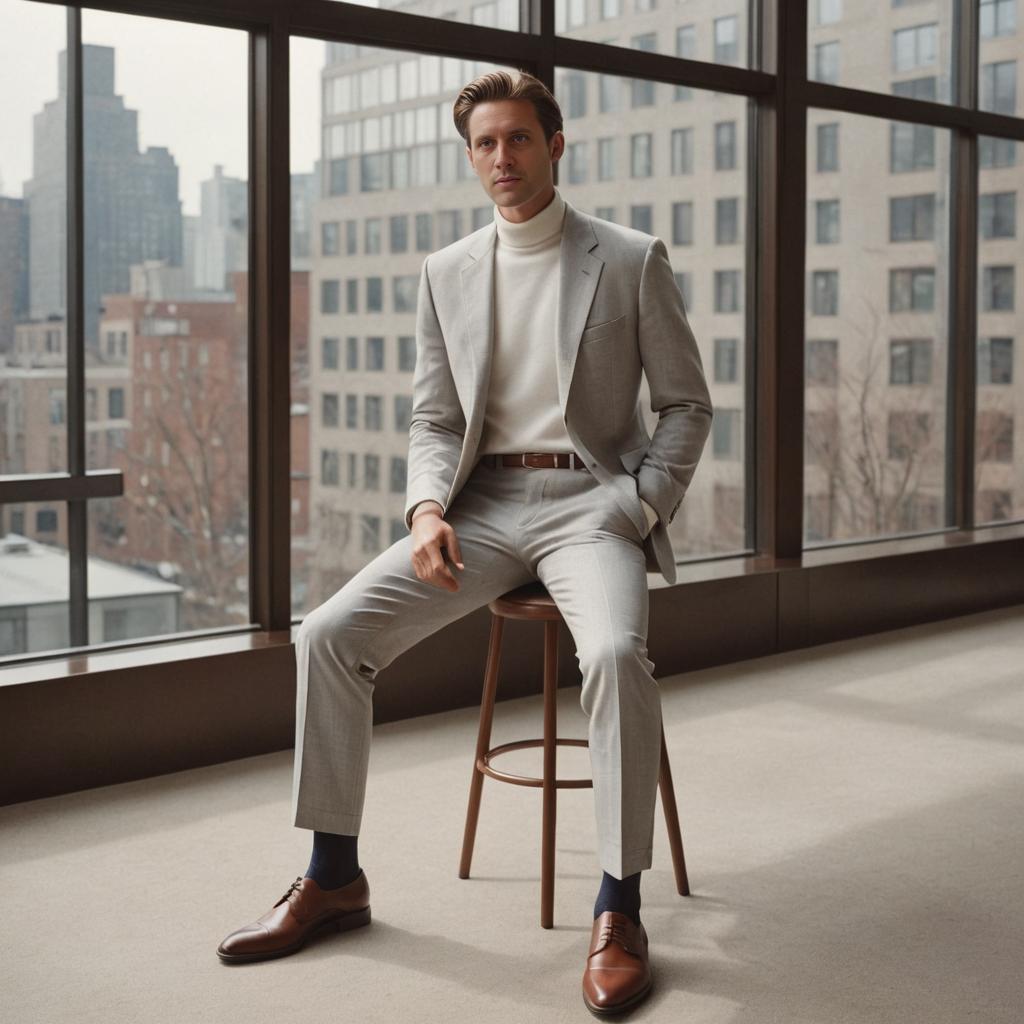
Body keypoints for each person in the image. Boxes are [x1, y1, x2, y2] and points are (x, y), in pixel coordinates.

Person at [217, 68, 712, 1016]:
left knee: (612, 651)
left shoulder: (629, 257)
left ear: (554, 144)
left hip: (589, 507)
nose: (501, 159)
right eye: (484, 144)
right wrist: (425, 512)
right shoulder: (445, 271)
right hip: (477, 510)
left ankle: (619, 906)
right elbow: (434, 418)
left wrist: (641, 505)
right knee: (328, 633)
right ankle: (333, 876)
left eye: (518, 139)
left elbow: (686, 404)